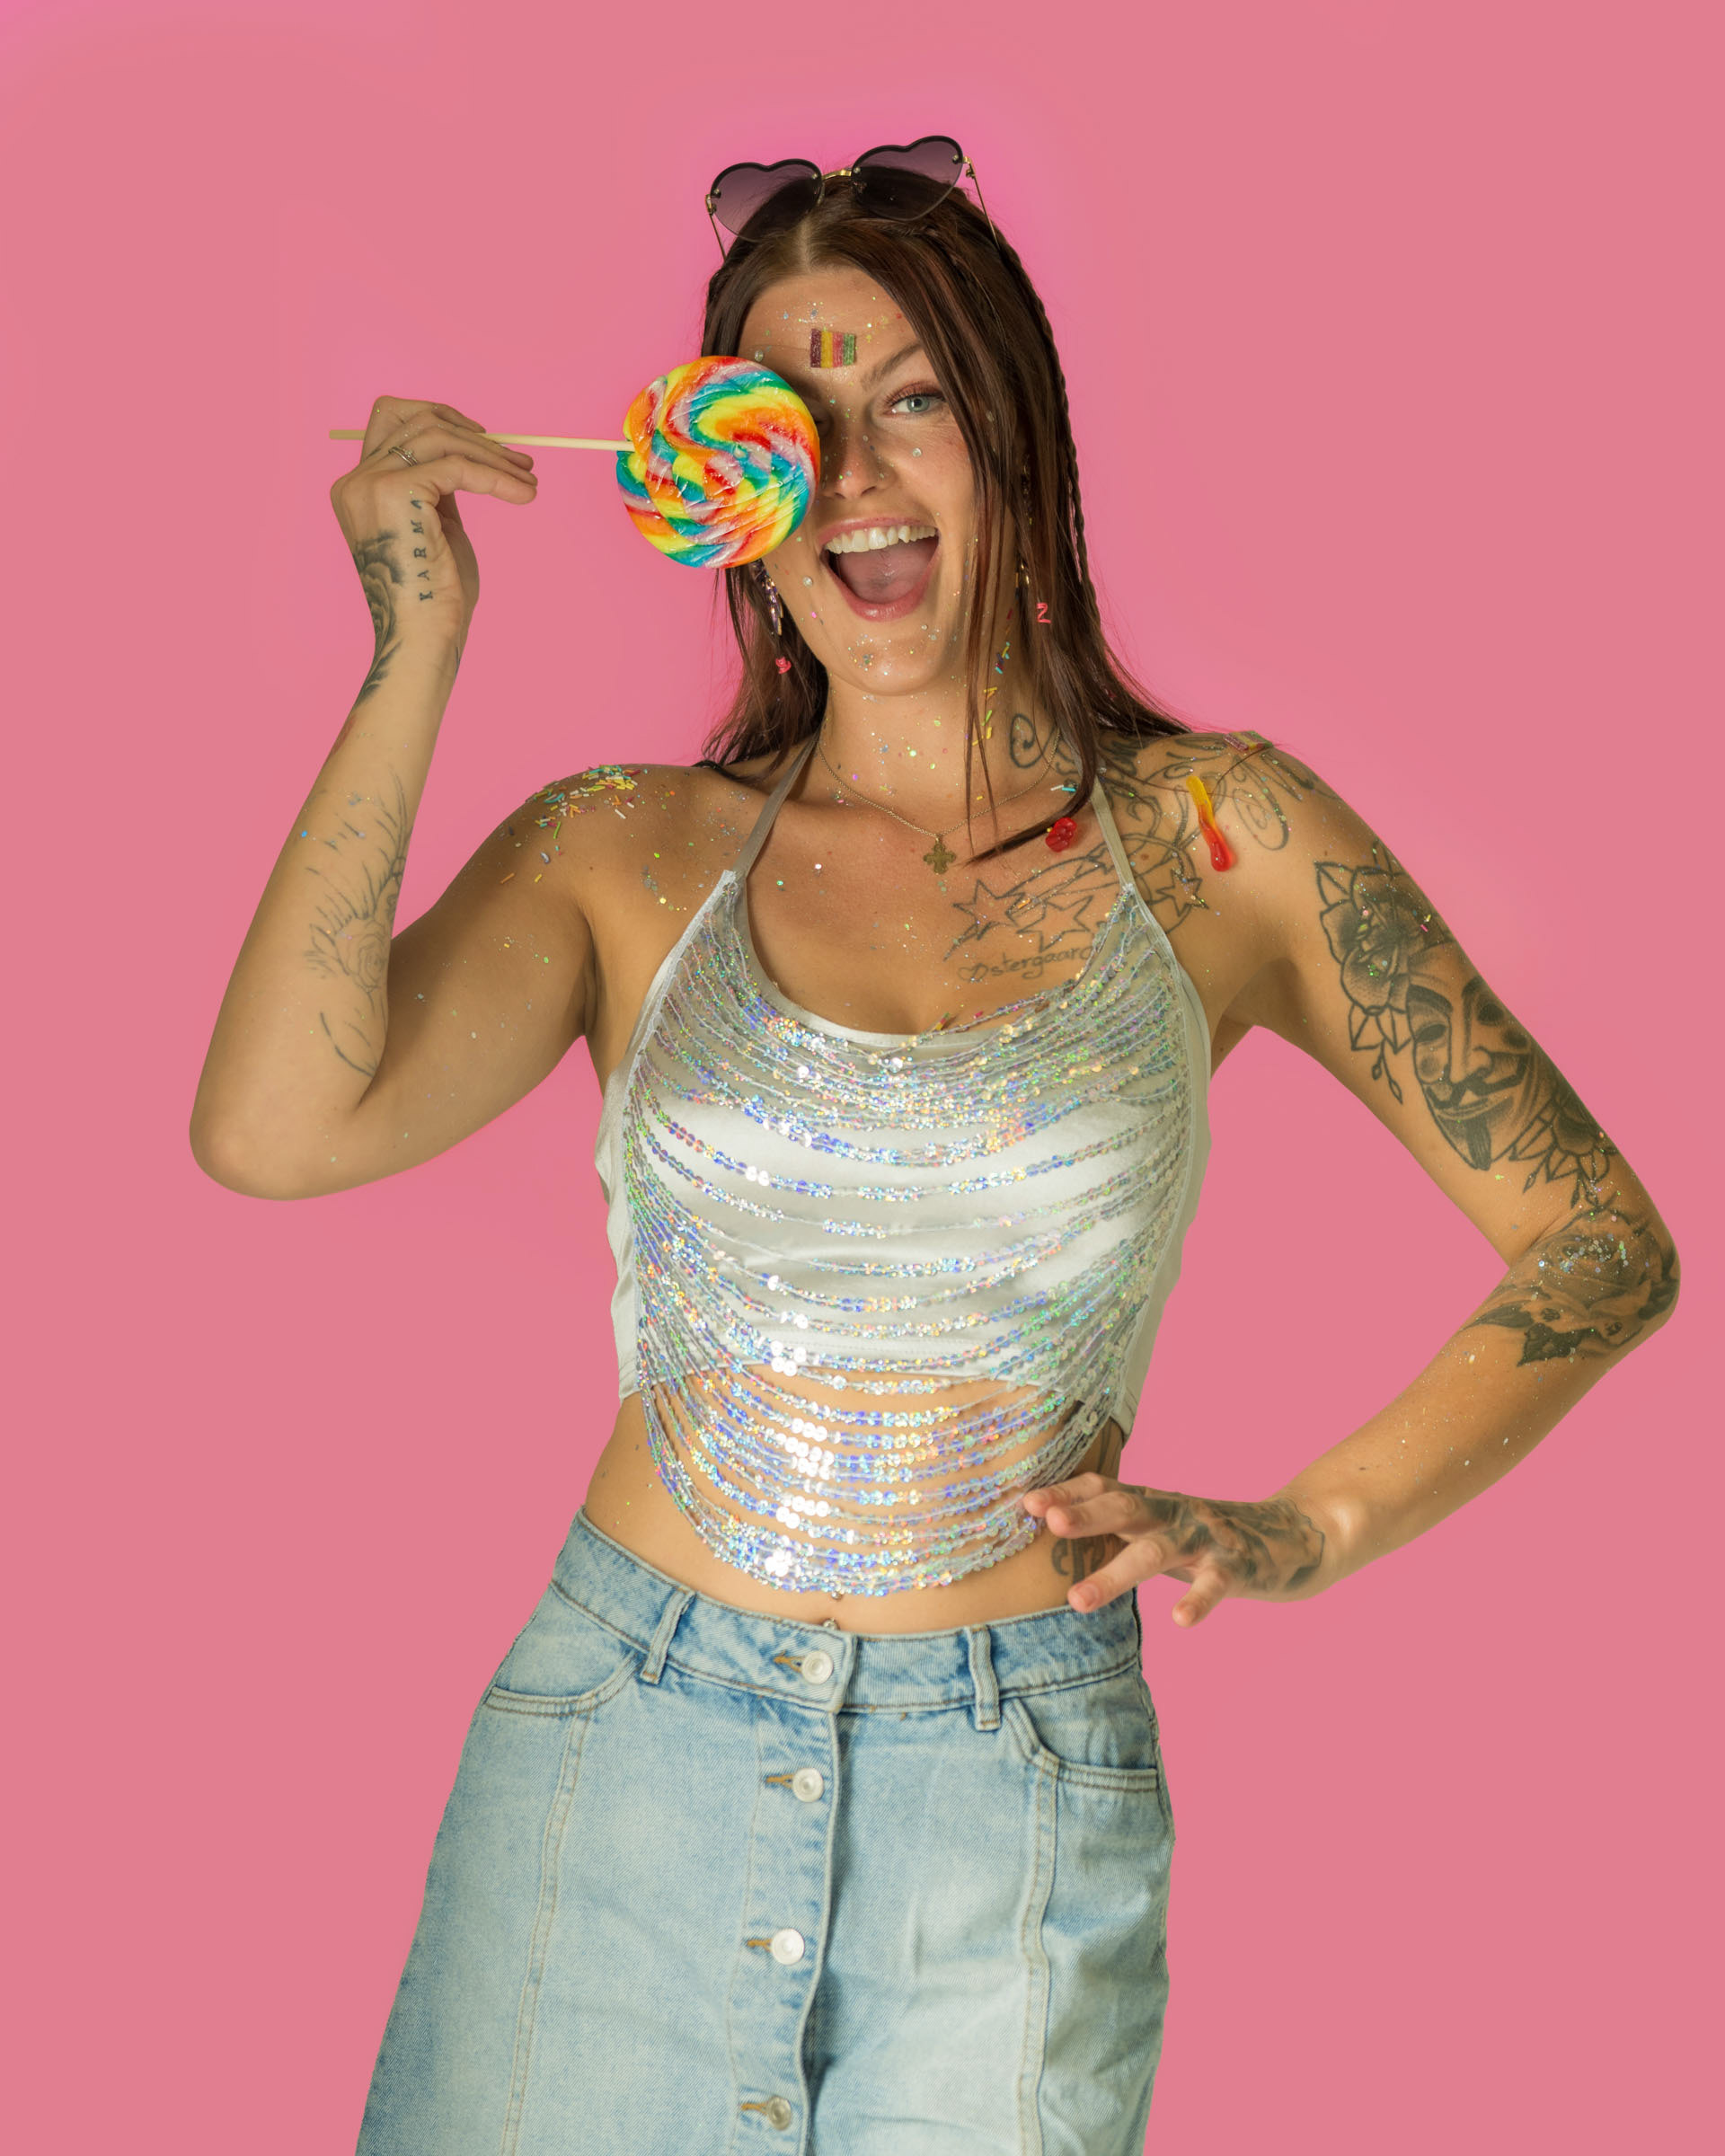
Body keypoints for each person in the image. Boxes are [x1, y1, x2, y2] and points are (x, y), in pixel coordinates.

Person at [190, 142, 1679, 2156]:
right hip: (623, 1742)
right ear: (720, 481)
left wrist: (1302, 1528)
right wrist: (419, 647)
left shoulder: (1218, 840)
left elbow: (1599, 1239)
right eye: (793, 423)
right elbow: (277, 1129)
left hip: (1015, 1796)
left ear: (1017, 445)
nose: (864, 482)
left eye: (914, 403)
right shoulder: (628, 850)